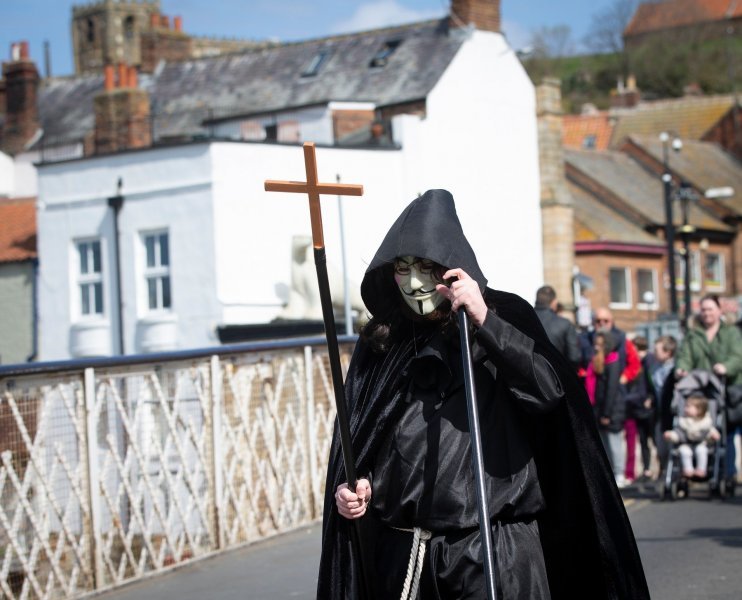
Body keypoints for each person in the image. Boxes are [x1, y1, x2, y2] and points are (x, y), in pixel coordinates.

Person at [317, 189, 649, 599]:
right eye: (402, 268)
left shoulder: (503, 317)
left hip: (492, 552)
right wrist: (359, 485)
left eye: (425, 266)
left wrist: (484, 322)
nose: (414, 282)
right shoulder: (386, 340)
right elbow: (369, 437)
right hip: (407, 557)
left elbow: (547, 393)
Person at [675, 294, 742, 488]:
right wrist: (682, 368)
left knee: (725, 431)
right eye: (703, 310)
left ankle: (728, 472)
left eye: (710, 309)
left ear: (719, 310)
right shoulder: (693, 334)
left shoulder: (730, 333)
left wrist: (726, 367)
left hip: (727, 388)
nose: (706, 313)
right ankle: (698, 471)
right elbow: (684, 355)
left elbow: (738, 356)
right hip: (699, 389)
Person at [586, 331, 627, 487]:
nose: (596, 345)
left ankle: (619, 473)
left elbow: (611, 389)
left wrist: (606, 413)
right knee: (604, 444)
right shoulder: (597, 360)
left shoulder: (613, 362)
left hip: (611, 410)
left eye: (600, 343)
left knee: (614, 442)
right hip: (599, 408)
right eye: (596, 342)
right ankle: (610, 473)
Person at [663, 393, 721, 478]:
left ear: (699, 410)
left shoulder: (706, 422)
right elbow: (678, 434)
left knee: (702, 450)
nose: (685, 409)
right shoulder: (683, 422)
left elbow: (710, 432)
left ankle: (701, 469)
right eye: (686, 406)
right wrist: (670, 435)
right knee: (684, 451)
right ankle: (688, 469)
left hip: (702, 444)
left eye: (689, 407)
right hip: (686, 444)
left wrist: (714, 436)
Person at [624, 336, 654, 481]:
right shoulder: (636, 363)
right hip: (638, 407)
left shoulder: (648, 361)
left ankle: (659, 468)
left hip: (647, 407)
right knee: (643, 440)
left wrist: (651, 398)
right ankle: (647, 469)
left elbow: (650, 383)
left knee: (653, 439)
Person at [534, 285, 581, 369]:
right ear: (554, 302)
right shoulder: (565, 324)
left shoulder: (522, 319)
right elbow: (574, 357)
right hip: (555, 375)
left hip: (526, 376)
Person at [651, 335, 678, 477]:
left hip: (672, 414)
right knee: (661, 449)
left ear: (668, 352)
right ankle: (666, 473)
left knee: (672, 447)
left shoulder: (675, 369)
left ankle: (673, 475)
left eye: (657, 350)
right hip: (659, 415)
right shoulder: (654, 368)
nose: (654, 353)